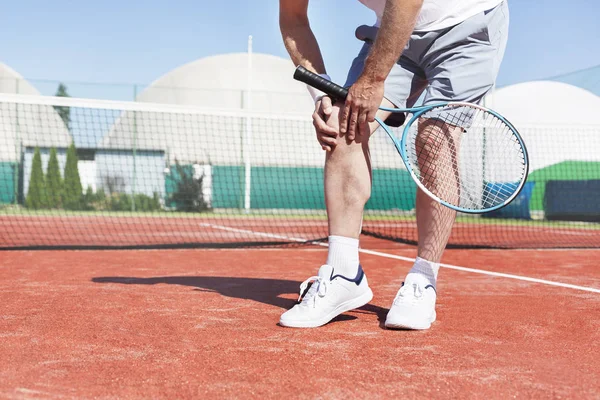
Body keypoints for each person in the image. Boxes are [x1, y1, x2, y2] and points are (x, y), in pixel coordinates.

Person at [278, 0, 509, 330]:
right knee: (343, 125)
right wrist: (321, 94)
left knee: (434, 139)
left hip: (469, 21)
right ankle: (344, 275)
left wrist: (372, 79)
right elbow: (293, 19)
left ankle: (423, 279)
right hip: (394, 27)